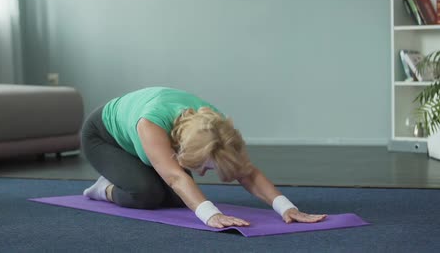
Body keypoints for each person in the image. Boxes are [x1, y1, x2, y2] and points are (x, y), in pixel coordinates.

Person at [81, 87, 326, 228]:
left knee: (179, 199)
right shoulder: (151, 124)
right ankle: (104, 188)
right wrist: (211, 215)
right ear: (185, 150)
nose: (201, 173)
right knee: (147, 194)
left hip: (148, 141)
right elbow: (176, 177)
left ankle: (128, 175)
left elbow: (246, 171)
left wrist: (287, 207)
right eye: (201, 166)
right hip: (103, 138)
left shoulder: (218, 130)